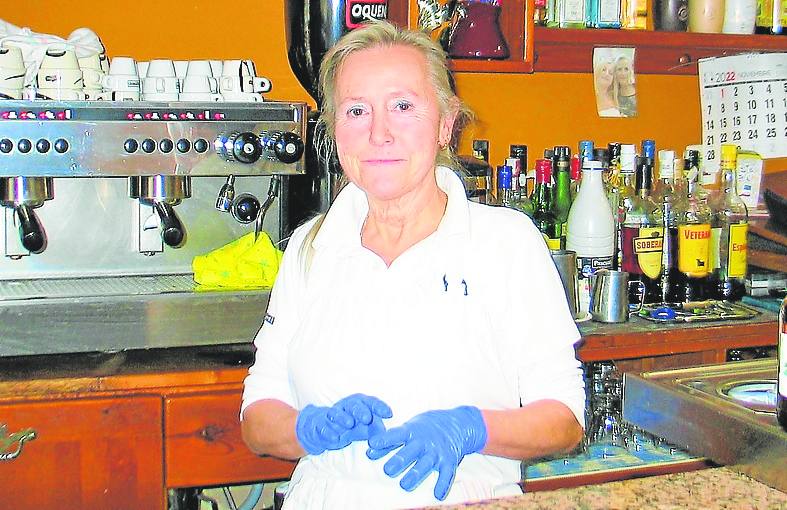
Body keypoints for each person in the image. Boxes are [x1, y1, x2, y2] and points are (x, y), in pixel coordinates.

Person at [241, 20, 585, 509]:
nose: (379, 133)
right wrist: (304, 429)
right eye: (357, 111)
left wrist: (472, 427)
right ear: (335, 131)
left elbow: (564, 419)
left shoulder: (504, 243)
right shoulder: (309, 248)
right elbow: (258, 416)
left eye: (403, 107)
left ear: (446, 123)